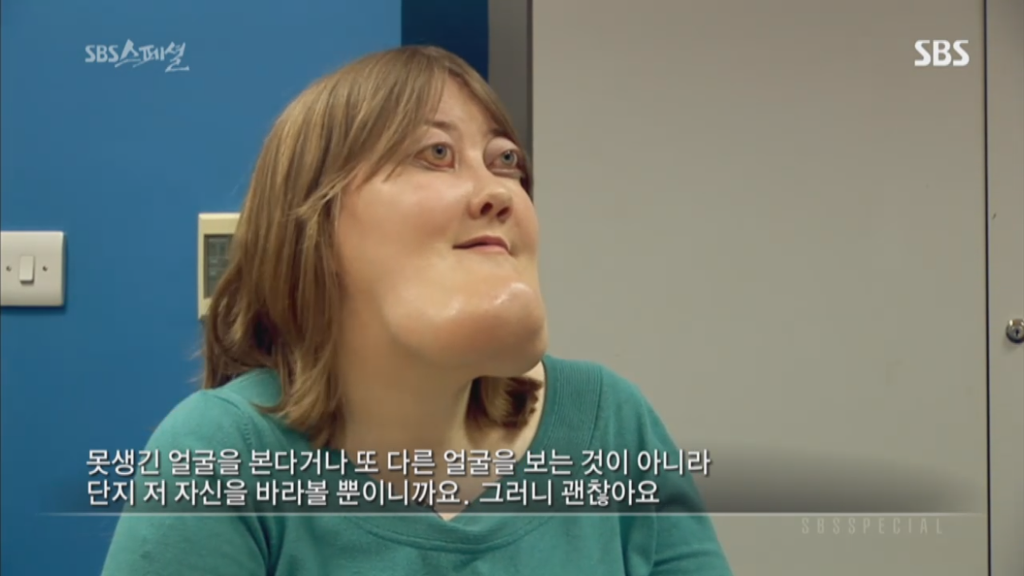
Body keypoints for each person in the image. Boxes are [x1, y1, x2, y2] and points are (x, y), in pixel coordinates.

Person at [100, 45, 733, 576]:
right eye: (436, 153)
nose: (497, 192)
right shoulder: (221, 456)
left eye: (506, 161)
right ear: (314, 226)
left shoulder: (610, 424)